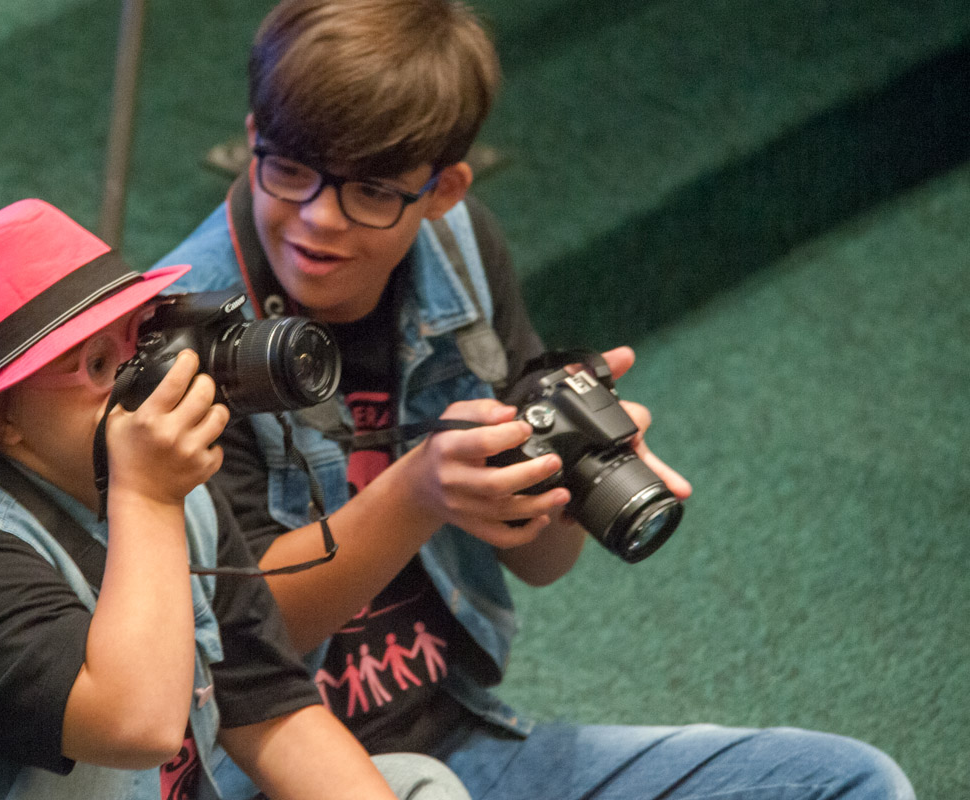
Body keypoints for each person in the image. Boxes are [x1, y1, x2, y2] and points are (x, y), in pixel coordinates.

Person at [151, 1, 916, 798]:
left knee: (850, 781)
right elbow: (240, 650)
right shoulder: (186, 328)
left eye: (371, 192)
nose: (319, 218)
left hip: (461, 737)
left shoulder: (461, 250)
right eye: (288, 169)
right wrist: (416, 494)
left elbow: (542, 563)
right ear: (252, 139)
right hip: (274, 778)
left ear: (444, 190)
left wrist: (567, 473)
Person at [0, 198, 472, 800]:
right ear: (1, 420)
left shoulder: (168, 492)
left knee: (419, 784)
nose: (145, 379)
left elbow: (267, 705)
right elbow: (137, 729)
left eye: (142, 339)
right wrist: (148, 497)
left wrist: (153, 495)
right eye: (97, 365)